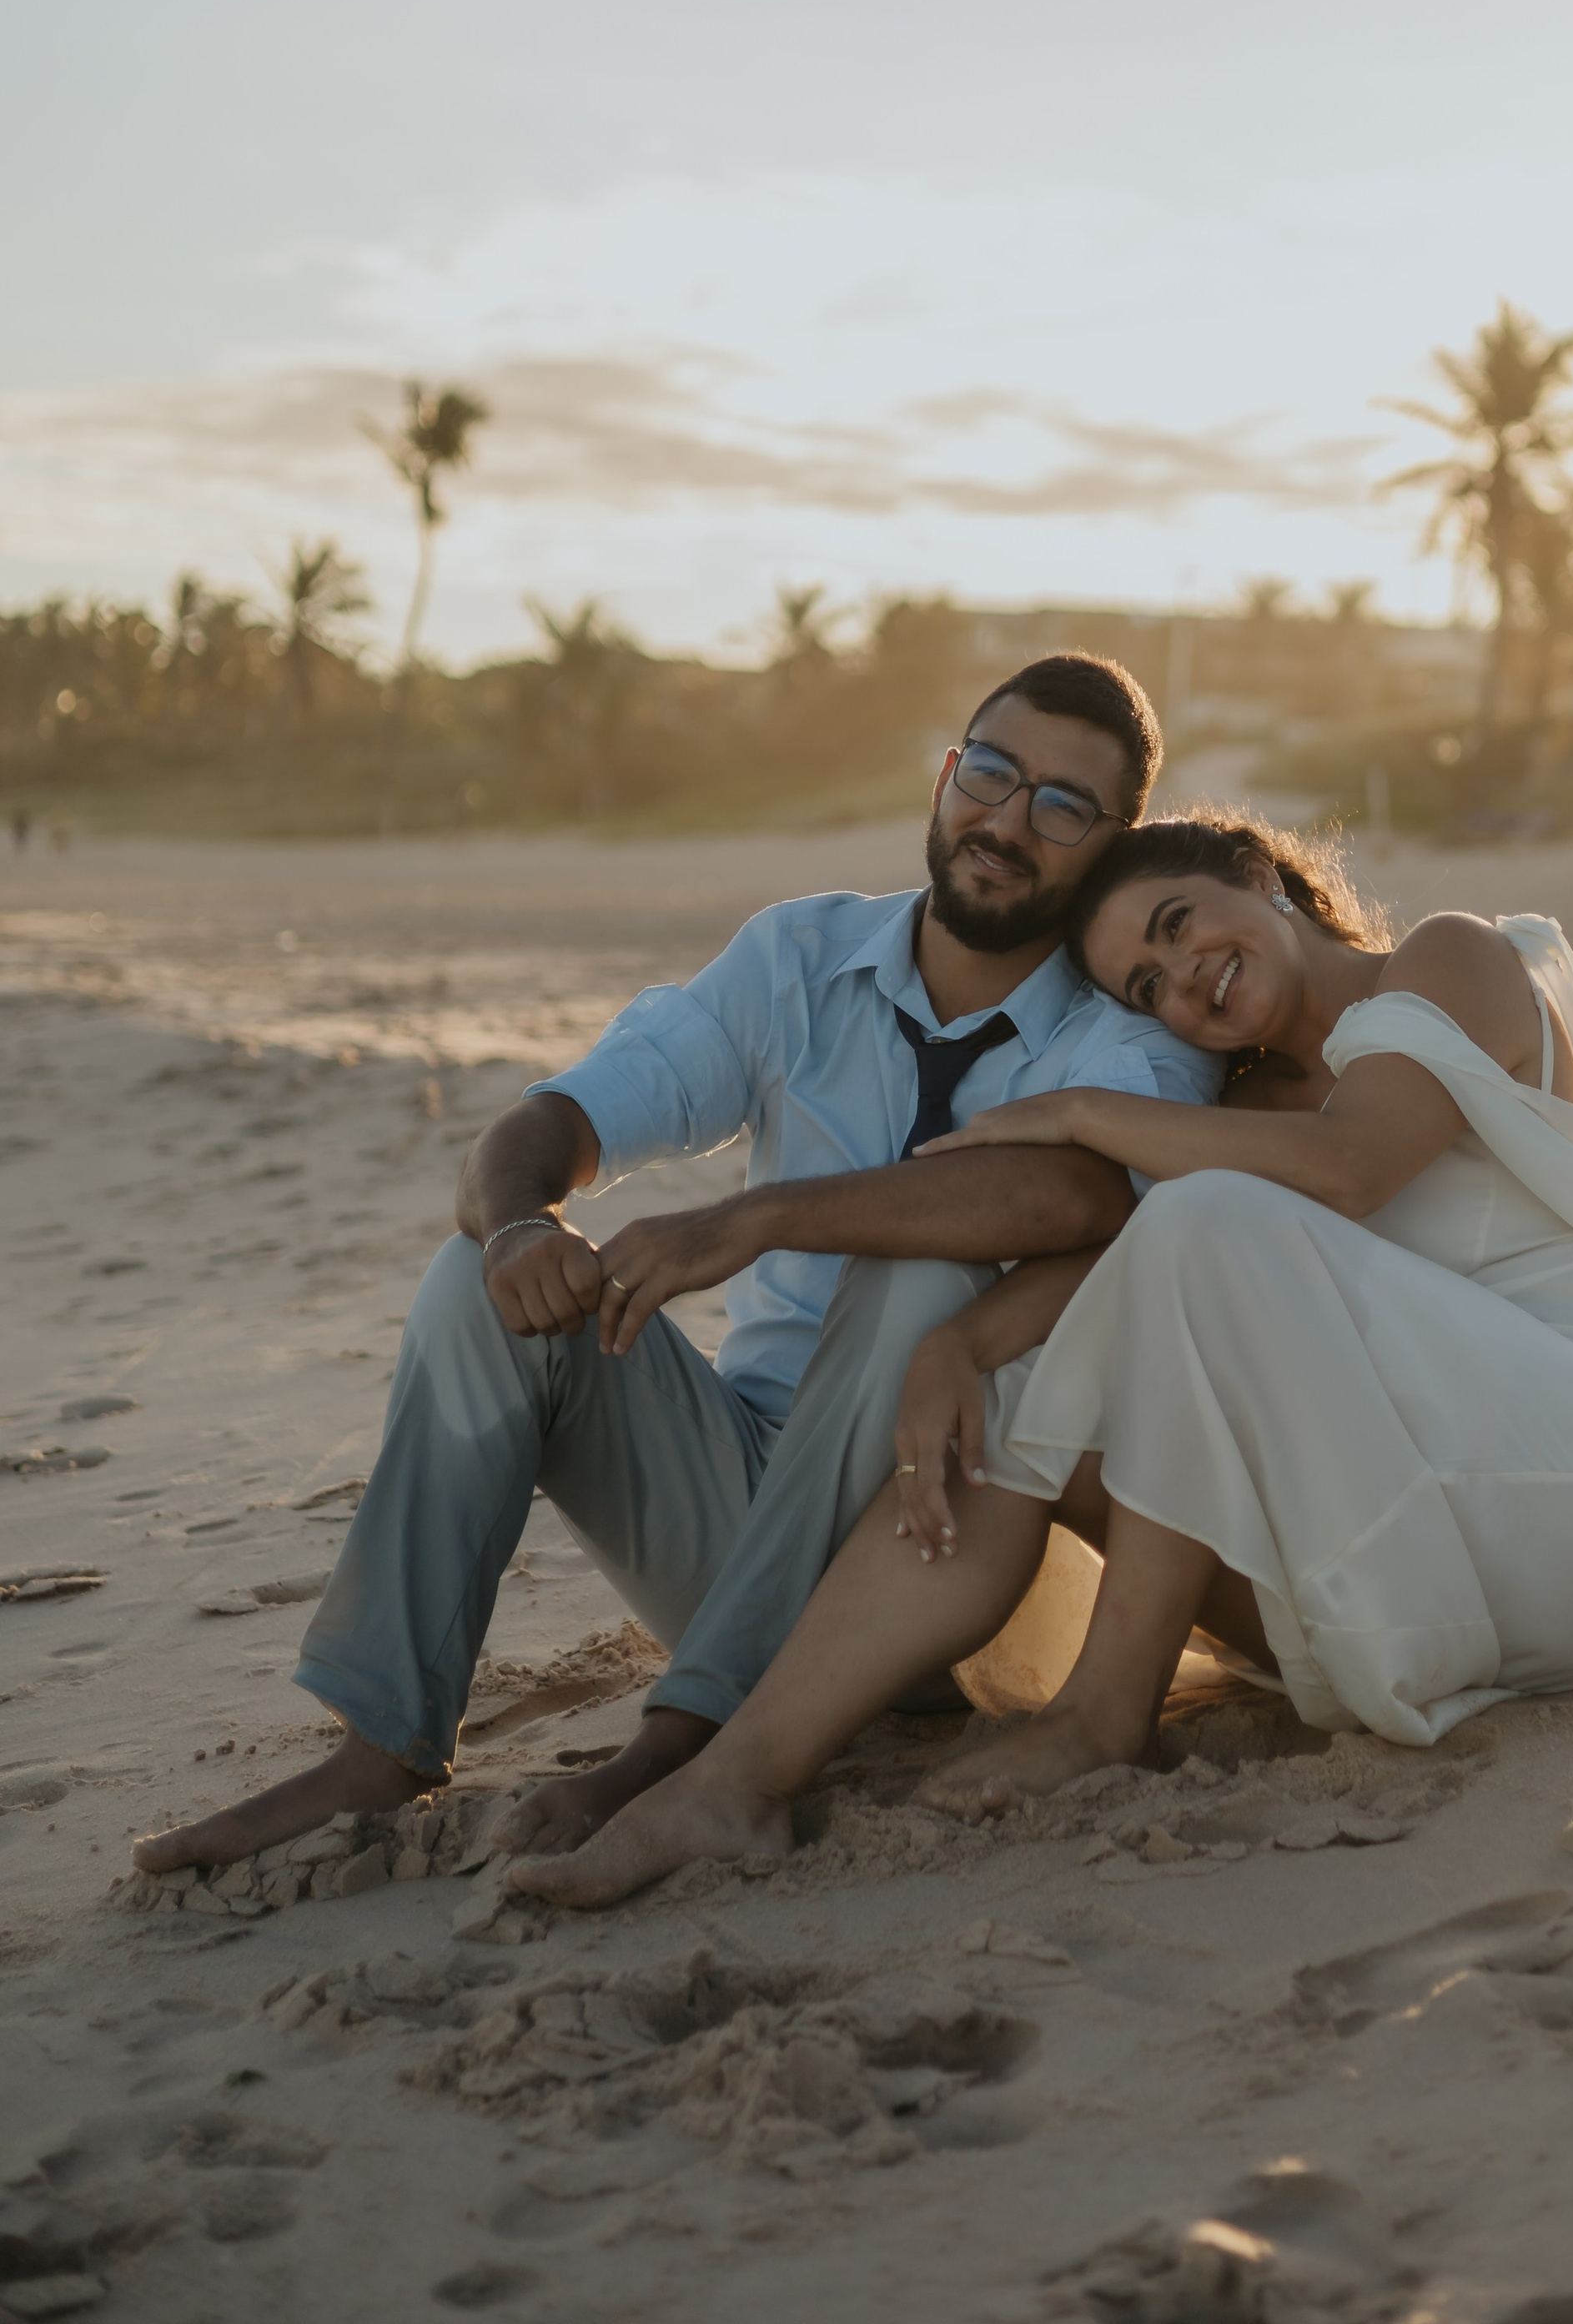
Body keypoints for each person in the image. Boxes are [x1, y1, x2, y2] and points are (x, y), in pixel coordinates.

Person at [510, 809, 1573, 1905]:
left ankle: (1106, 1713)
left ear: (1260, 876)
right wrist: (959, 1343)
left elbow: (1354, 1168)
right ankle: (736, 1783)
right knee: (1022, 1398)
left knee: (1199, 1222)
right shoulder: (1235, 1125)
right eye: (1146, 988)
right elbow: (1132, 1275)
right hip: (1437, 1580)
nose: (1183, 978)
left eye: (1177, 924)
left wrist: (1083, 1112)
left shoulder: (1449, 959)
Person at [133, 657, 1218, 1880]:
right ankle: (384, 1742)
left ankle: (679, 1746)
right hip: (733, 1498)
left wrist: (761, 1218)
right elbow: (549, 1125)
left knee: (923, 1283)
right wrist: (521, 1228)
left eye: (1063, 807)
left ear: (1113, 849)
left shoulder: (1132, 1031)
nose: (1008, 823)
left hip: (942, 1565)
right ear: (944, 777)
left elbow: (1079, 1193)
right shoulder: (800, 957)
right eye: (992, 774)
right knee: (478, 1280)